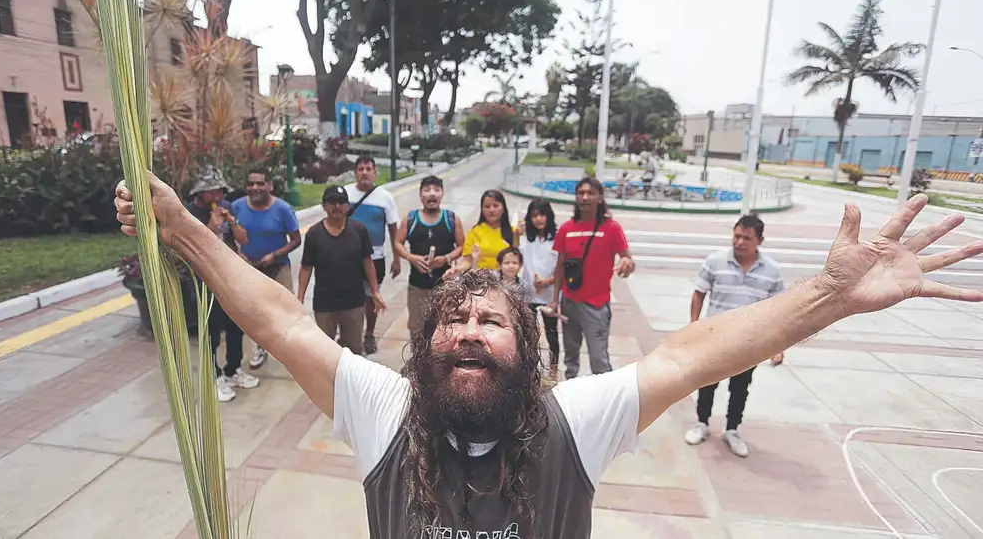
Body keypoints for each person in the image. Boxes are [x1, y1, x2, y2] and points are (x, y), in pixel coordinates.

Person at [115, 176, 983, 538]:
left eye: (493, 322)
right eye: (452, 321)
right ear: (422, 350)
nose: (468, 332)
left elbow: (697, 352)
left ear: (528, 353)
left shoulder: (572, 421)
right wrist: (182, 228)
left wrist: (828, 296)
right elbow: (280, 322)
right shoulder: (384, 411)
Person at [684, 214, 784, 458]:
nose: (739, 242)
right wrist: (693, 327)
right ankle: (702, 424)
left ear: (759, 240)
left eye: (746, 238)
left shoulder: (771, 272)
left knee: (740, 388)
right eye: (736, 236)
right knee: (707, 383)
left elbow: (779, 310)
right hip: (714, 338)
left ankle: (732, 430)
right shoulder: (715, 261)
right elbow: (699, 293)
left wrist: (777, 346)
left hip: (749, 343)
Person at [548, 178, 635, 379]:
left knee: (599, 360)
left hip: (596, 305)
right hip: (569, 302)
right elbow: (560, 267)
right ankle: (572, 395)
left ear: (600, 197)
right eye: (581, 193)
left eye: (591, 193)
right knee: (570, 357)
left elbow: (627, 258)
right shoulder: (566, 229)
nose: (585, 197)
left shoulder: (611, 228)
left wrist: (627, 264)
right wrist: (555, 299)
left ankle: (605, 401)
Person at [184, 167, 258, 402]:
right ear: (201, 193)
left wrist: (232, 221)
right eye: (212, 193)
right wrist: (213, 225)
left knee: (236, 325)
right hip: (205, 280)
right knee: (211, 330)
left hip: (229, 277)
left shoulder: (228, 206)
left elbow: (243, 239)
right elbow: (193, 245)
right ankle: (214, 376)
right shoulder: (190, 213)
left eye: (219, 192)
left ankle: (233, 368)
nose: (217, 197)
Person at [298, 186, 386, 356]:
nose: (337, 207)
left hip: (353, 301)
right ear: (324, 206)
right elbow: (306, 267)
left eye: (341, 202)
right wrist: (300, 299)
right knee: (325, 350)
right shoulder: (314, 234)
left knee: (354, 349)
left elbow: (367, 261)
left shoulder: (359, 230)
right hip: (324, 303)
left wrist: (374, 290)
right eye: (332, 202)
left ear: (347, 205)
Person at [231, 167, 301, 368]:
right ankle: (261, 348)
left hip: (278, 267)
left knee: (286, 310)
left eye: (260, 183)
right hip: (248, 269)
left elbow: (296, 240)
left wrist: (275, 255)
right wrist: (239, 254)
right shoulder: (236, 207)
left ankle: (291, 348)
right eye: (251, 183)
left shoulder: (283, 209)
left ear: (270, 185)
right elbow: (228, 235)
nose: (255, 187)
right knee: (256, 312)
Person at [393, 176, 465, 341]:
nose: (432, 194)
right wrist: (411, 257)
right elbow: (397, 242)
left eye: (436, 190)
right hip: (417, 286)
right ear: (420, 195)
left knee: (445, 327)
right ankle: (419, 364)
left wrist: (445, 258)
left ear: (442, 194)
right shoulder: (410, 219)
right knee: (417, 328)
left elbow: (461, 246)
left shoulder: (452, 219)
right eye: (426, 190)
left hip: (445, 287)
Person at [345, 156, 401, 355]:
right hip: (348, 259)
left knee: (372, 298)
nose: (365, 172)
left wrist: (397, 258)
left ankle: (369, 334)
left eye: (368, 168)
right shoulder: (346, 193)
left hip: (376, 258)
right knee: (350, 298)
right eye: (360, 169)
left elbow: (394, 230)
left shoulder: (385, 197)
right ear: (355, 172)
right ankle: (349, 335)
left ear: (375, 172)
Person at [519, 198, 560, 379]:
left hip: (549, 294)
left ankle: (553, 367)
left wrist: (549, 281)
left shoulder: (557, 238)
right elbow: (515, 254)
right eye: (534, 215)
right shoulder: (527, 237)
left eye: (542, 215)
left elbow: (561, 266)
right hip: (528, 294)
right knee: (529, 333)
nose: (539, 219)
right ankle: (530, 367)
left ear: (549, 216)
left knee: (551, 333)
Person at [459, 189, 518, 271]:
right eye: (487, 206)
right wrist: (457, 270)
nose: (491, 210)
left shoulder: (513, 232)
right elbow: (468, 261)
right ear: (482, 210)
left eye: (496, 206)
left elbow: (517, 260)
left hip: (504, 281)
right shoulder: (474, 232)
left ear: (503, 208)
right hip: (480, 280)